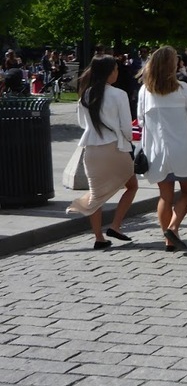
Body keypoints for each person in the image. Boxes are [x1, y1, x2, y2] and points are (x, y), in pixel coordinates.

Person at [137, 47, 187, 252]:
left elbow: (141, 121)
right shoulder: (184, 90)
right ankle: (173, 227)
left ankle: (168, 239)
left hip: (156, 150)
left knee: (165, 196)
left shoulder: (145, 91)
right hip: (182, 148)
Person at [67, 54, 139, 248]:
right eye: (115, 69)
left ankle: (98, 237)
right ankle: (115, 225)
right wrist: (130, 140)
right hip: (115, 147)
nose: (117, 72)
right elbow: (126, 127)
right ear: (109, 72)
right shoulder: (119, 94)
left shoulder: (86, 94)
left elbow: (83, 123)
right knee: (132, 186)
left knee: (96, 195)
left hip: (91, 148)